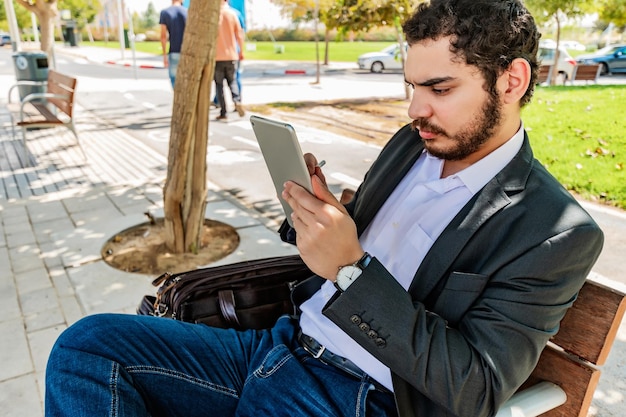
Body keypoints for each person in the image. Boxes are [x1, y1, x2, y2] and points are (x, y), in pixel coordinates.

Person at [45, 1, 604, 416]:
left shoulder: (553, 231)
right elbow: (356, 239)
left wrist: (349, 270)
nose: (415, 109)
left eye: (439, 88)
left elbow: (476, 387)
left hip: (358, 395)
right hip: (280, 344)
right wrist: (316, 215)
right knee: (86, 348)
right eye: (411, 86)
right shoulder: (413, 143)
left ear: (512, 80)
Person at [214, 0, 245, 120]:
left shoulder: (214, 15)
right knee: (233, 81)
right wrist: (241, 51)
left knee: (219, 85)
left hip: (217, 57)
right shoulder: (233, 14)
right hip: (232, 55)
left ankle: (223, 112)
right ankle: (237, 100)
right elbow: (239, 35)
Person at [159, 0, 187, 88]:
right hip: (187, 52)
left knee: (174, 80)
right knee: (186, 79)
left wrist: (164, 55)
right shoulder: (187, 12)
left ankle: (178, 99)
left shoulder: (165, 12)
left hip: (174, 51)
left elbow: (163, 36)